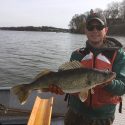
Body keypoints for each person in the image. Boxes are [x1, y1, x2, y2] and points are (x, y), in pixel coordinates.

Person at [48, 10, 125, 125]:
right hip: (74, 113)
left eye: (99, 27)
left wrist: (108, 82)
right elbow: (65, 79)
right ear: (85, 31)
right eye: (90, 27)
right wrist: (58, 89)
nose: (95, 30)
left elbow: (123, 88)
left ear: (106, 30)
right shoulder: (77, 54)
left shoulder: (118, 55)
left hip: (102, 118)